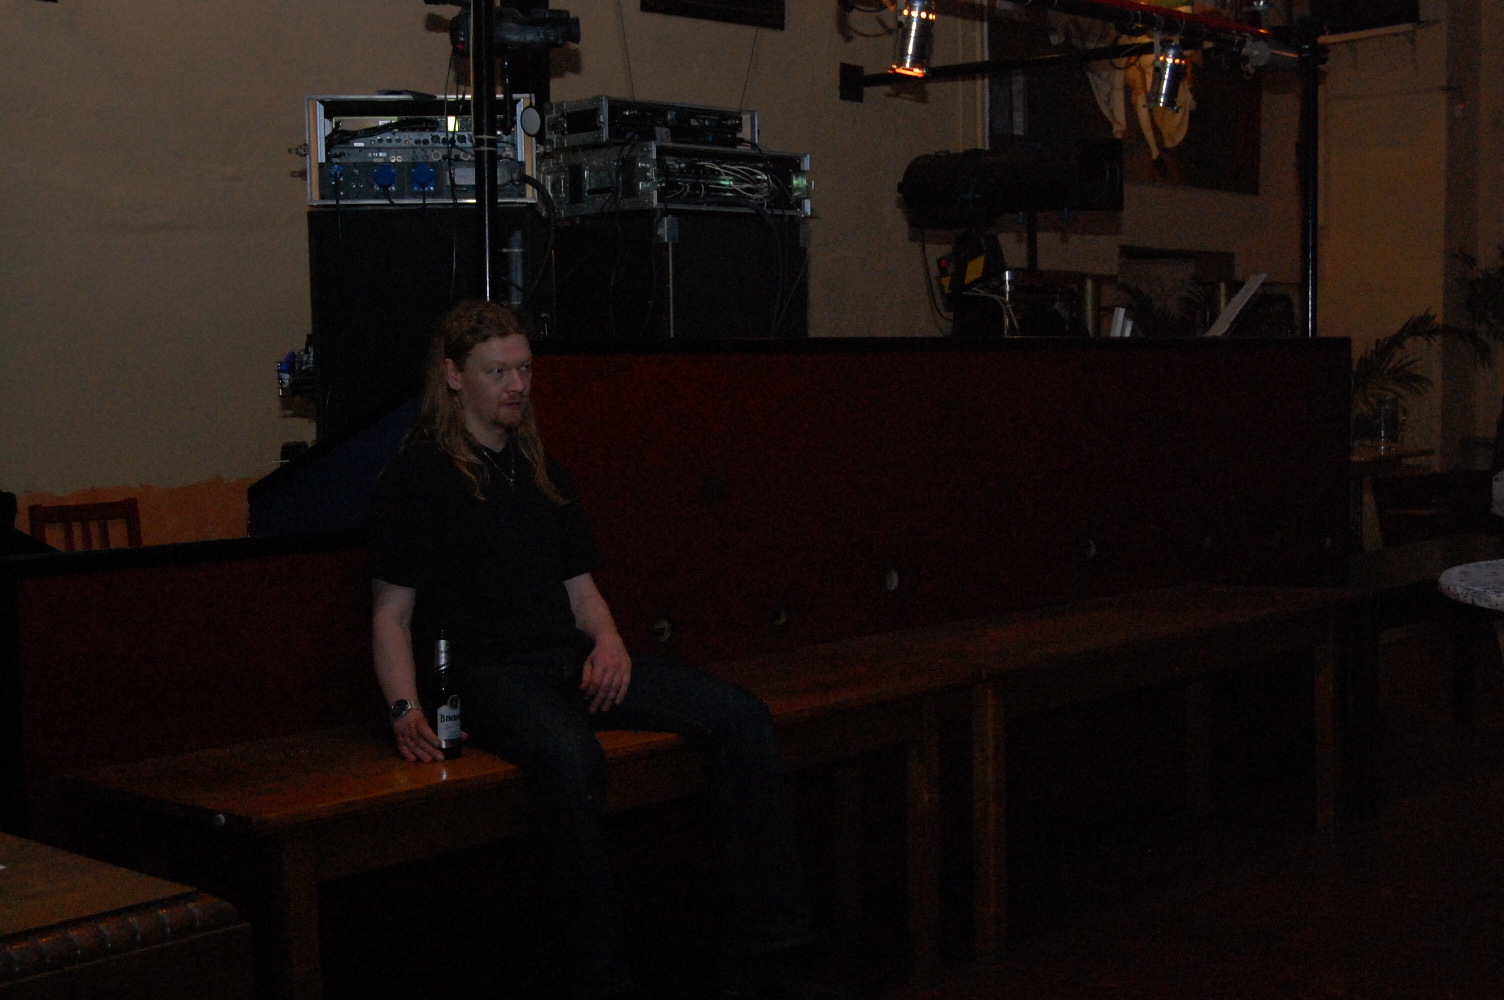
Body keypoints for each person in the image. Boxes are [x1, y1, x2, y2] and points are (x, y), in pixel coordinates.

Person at [368, 300, 815, 1000]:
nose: (517, 385)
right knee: (571, 760)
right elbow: (391, 615)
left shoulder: (542, 470)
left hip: (563, 658)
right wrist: (404, 708)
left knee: (741, 717)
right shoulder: (418, 478)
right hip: (486, 674)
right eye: (497, 371)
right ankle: (597, 976)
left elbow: (582, 591)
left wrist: (609, 643)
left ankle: (773, 951)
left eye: (524, 369)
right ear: (453, 376)